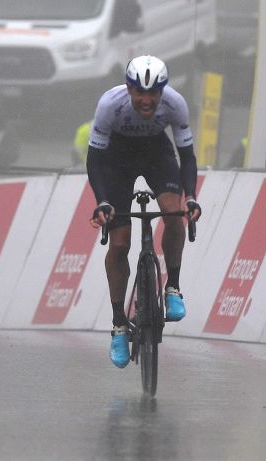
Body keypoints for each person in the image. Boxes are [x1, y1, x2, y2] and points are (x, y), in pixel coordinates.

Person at [86, 55, 202, 369]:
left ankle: (173, 286)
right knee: (120, 244)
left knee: (173, 213)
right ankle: (119, 325)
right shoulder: (110, 105)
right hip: (117, 161)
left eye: (154, 93)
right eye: (140, 92)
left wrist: (190, 196)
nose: (147, 100)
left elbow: (187, 157)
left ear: (163, 91)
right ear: (129, 88)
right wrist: (102, 201)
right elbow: (95, 160)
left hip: (156, 153)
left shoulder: (175, 105)